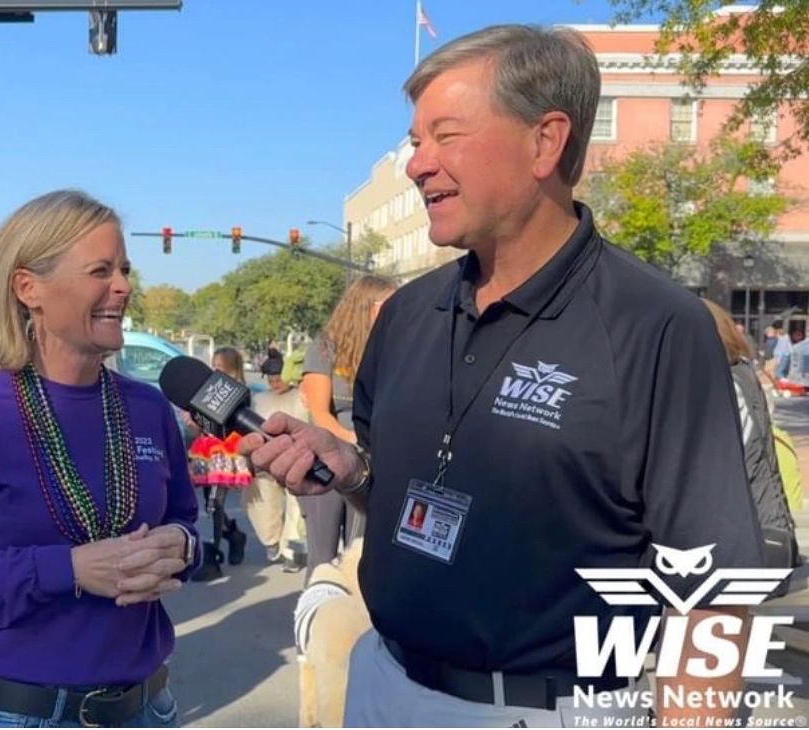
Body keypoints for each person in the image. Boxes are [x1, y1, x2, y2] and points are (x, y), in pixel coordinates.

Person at [242, 25, 762, 727]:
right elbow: (408, 509)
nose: (416, 166)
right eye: (414, 142)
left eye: (443, 137)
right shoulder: (407, 316)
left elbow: (711, 593)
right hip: (382, 686)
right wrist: (354, 474)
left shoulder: (656, 326)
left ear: (545, 142)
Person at [0, 189, 198, 728]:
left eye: (125, 269)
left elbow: (186, 525)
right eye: (100, 270)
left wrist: (180, 546)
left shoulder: (150, 409)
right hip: (21, 713)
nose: (123, 287)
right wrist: (71, 569)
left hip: (147, 708)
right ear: (28, 288)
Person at [299, 275, 395, 574]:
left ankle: (353, 619)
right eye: (389, 303)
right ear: (365, 306)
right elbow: (320, 414)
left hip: (369, 462)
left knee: (360, 555)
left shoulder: (391, 348)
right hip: (325, 459)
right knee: (322, 559)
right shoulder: (326, 347)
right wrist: (355, 438)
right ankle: (314, 616)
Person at [702, 299, 798, 568]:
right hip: (756, 520)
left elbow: (720, 453)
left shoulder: (726, 382)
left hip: (738, 530)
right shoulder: (740, 374)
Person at [244, 355, 306, 572]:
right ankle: (270, 540)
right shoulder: (259, 399)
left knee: (297, 508)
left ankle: (293, 552)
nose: (274, 382)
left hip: (298, 457)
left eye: (278, 377)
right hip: (265, 460)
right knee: (261, 502)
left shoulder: (302, 396)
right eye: (270, 379)